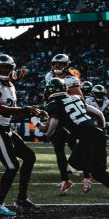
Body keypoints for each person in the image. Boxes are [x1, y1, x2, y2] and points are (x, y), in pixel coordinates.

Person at [40, 78, 109, 210]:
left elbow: (49, 131)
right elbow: (99, 114)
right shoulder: (76, 99)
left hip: (90, 138)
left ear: (50, 90)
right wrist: (103, 131)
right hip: (91, 136)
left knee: (98, 174)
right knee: (74, 163)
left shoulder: (53, 105)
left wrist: (37, 123)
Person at [0, 54, 39, 217]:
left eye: (7, 67)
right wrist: (25, 109)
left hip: (5, 128)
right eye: (0, 68)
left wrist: (32, 113)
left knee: (29, 156)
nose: (4, 70)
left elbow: (14, 115)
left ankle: (21, 198)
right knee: (12, 166)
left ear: (12, 69)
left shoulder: (10, 86)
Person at [43, 53, 83, 195]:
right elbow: (48, 94)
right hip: (55, 114)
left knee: (75, 146)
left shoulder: (71, 79)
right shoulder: (49, 76)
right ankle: (65, 180)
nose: (57, 66)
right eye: (55, 63)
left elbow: (80, 99)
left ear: (66, 65)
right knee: (58, 150)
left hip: (67, 117)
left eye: (60, 63)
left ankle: (87, 176)